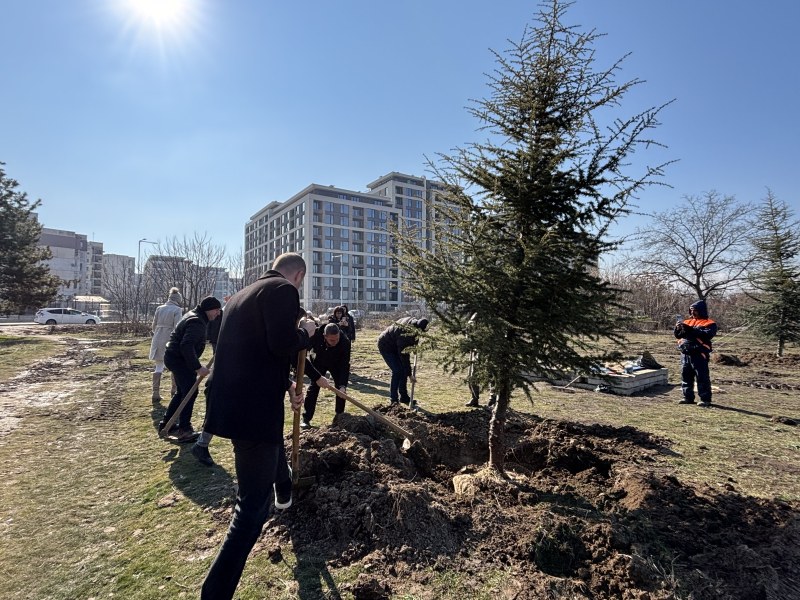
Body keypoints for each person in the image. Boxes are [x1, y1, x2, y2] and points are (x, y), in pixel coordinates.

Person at [200, 252, 319, 600]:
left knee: (271, 449)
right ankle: (215, 593)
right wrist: (306, 333)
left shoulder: (241, 295)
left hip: (233, 404)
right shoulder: (283, 290)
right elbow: (282, 343)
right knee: (252, 506)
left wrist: (288, 385)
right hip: (253, 412)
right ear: (299, 275)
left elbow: (254, 351)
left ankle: (285, 494)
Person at [158, 296, 222, 442]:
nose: (217, 314)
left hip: (175, 358)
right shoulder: (197, 321)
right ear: (209, 309)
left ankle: (167, 424)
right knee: (189, 392)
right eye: (216, 310)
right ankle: (184, 430)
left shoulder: (195, 316)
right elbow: (186, 346)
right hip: (179, 360)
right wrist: (198, 368)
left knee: (182, 392)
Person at [301, 322, 351, 428]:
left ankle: (339, 417)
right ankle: (306, 418)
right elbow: (303, 350)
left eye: (337, 339)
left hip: (336, 364)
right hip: (319, 361)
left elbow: (345, 365)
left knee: (341, 390)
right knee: (314, 387)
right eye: (332, 340)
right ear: (325, 336)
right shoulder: (315, 335)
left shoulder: (345, 341)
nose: (335, 342)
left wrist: (343, 385)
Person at [191, 305, 223, 467]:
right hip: (223, 381)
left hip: (225, 378)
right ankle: (201, 445)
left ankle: (201, 445)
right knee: (217, 413)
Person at [674, 299, 718, 407]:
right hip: (685, 354)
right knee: (686, 376)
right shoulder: (687, 322)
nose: (693, 312)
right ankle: (687, 397)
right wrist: (677, 328)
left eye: (695, 310)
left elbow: (707, 335)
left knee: (702, 377)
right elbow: (679, 335)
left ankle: (705, 399)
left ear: (701, 311)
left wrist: (691, 330)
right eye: (691, 310)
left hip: (699, 354)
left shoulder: (710, 323)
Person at [377, 316, 428, 405]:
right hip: (386, 346)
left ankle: (404, 397)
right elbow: (404, 356)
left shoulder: (414, 324)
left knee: (402, 370)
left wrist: (415, 347)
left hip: (395, 345)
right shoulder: (405, 334)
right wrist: (409, 375)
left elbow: (415, 337)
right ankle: (394, 400)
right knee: (397, 371)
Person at [148, 287, 183, 402]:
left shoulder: (159, 308)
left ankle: (155, 393)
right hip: (170, 340)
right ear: (178, 299)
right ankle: (174, 390)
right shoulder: (177, 310)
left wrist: (158, 333)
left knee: (158, 366)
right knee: (174, 366)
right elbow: (177, 327)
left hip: (157, 338)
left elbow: (154, 325)